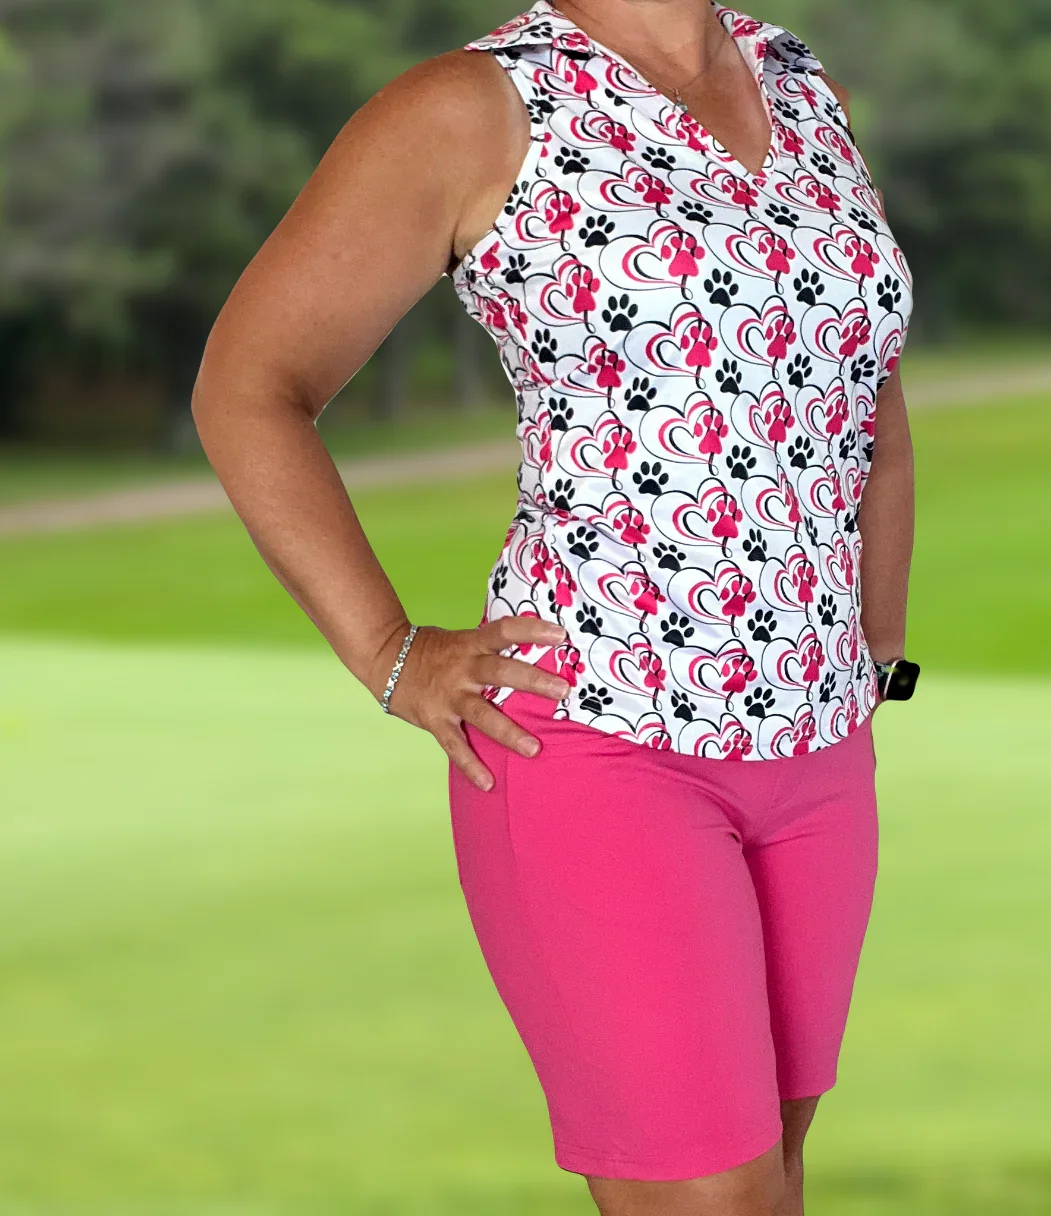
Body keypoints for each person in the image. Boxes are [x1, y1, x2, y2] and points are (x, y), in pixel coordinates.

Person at [192, 1, 916, 1212]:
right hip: (598, 738)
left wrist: (873, 651)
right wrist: (389, 651)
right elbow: (247, 385)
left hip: (818, 750)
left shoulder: (797, 83)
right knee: (711, 1196)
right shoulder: (474, 107)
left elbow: (864, 389)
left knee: (777, 1181)